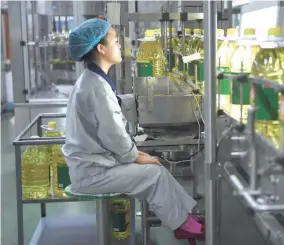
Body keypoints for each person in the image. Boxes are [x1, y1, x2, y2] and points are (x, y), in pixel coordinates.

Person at [62, 18, 204, 241]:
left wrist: (139, 155)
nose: (120, 46)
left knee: (157, 168)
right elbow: (114, 137)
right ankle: (182, 224)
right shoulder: (96, 88)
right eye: (116, 41)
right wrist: (136, 156)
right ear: (101, 48)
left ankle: (188, 218)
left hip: (96, 165)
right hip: (93, 174)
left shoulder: (92, 81)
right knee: (154, 174)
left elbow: (110, 133)